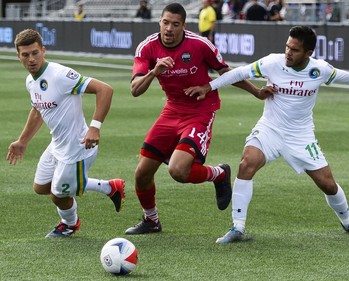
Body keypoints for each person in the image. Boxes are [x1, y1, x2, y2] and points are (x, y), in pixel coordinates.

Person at [185, 26, 349, 243]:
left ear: (308, 53)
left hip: (300, 135)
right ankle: (237, 227)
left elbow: (342, 76)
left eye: (294, 50)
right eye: (287, 46)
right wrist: (208, 87)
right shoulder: (272, 63)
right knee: (247, 162)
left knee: (328, 184)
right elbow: (238, 73)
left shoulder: (319, 70)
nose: (288, 52)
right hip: (270, 129)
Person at [124, 3, 272, 235]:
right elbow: (134, 90)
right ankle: (151, 221)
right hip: (171, 111)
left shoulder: (200, 45)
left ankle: (219, 174)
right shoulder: (148, 48)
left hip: (200, 111)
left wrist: (256, 92)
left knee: (178, 170)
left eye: (175, 24)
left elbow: (226, 72)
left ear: (184, 26)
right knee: (142, 174)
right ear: (159, 22)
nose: (169, 29)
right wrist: (154, 72)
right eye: (165, 23)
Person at [7, 29, 125, 238]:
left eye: (35, 53)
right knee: (40, 187)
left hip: (77, 148)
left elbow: (105, 89)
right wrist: (22, 141)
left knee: (57, 195)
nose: (31, 59)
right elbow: (38, 109)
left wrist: (95, 127)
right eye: (25, 55)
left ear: (43, 50)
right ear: (18, 56)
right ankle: (109, 187)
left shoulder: (60, 75)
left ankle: (69, 224)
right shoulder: (30, 81)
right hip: (57, 145)